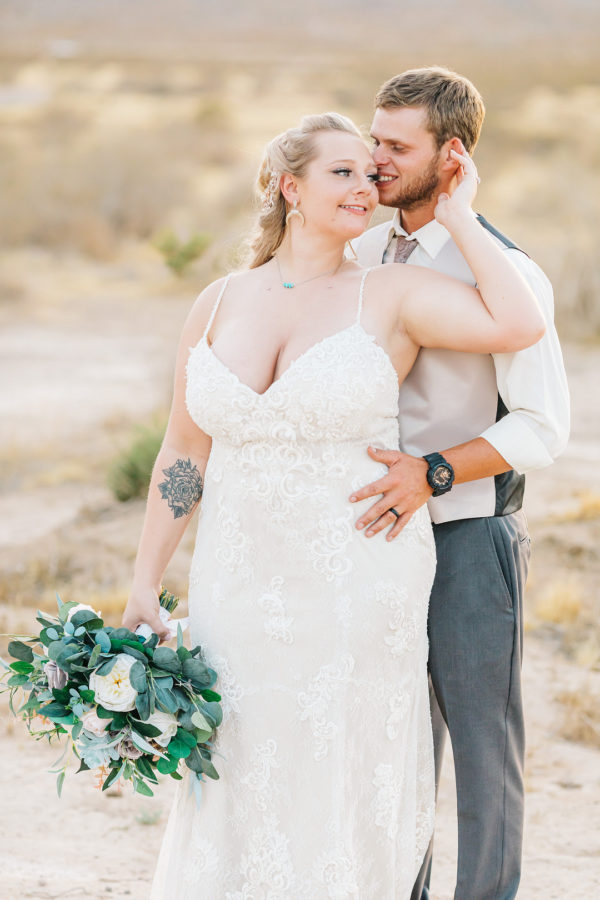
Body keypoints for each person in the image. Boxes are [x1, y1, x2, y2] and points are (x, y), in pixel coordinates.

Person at [122, 112, 544, 899]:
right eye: (341, 172)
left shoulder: (390, 292)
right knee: (240, 756)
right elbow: (183, 453)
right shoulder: (219, 300)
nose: (366, 183)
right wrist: (146, 578)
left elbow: (519, 323)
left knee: (337, 762)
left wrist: (460, 215)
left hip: (355, 572)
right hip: (236, 578)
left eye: (369, 170)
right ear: (290, 187)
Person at [350, 68, 569, 900]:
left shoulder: (509, 273)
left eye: (396, 147)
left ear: (453, 156)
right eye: (374, 140)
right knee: (392, 747)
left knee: (483, 750)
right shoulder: (361, 254)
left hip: (471, 539)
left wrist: (432, 475)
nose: (375, 161)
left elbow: (543, 427)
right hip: (370, 539)